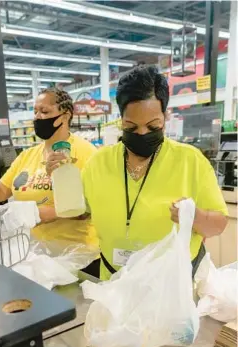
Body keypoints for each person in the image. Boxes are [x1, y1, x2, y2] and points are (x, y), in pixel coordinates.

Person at [77, 65, 228, 280]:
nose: (142, 133)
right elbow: (79, 213)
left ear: (165, 117)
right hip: (113, 284)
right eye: (131, 127)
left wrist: (194, 216)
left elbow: (218, 226)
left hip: (169, 290)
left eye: (152, 126)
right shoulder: (98, 163)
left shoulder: (190, 161)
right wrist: (61, 176)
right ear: (120, 119)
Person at [0, 88, 98, 253]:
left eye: (45, 111)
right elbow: (0, 190)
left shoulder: (86, 153)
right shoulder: (28, 155)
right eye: (35, 112)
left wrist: (36, 213)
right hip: (34, 251)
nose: (38, 117)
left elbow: (90, 208)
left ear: (66, 115)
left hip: (76, 254)